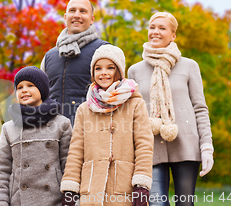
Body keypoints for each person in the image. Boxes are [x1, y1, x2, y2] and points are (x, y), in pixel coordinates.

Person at [127, 12, 214, 206]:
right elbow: (133, 113)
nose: (155, 32)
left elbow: (200, 108)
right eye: (152, 27)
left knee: (185, 203)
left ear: (173, 35)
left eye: (162, 28)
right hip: (151, 147)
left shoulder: (190, 66)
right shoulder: (135, 70)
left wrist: (206, 146)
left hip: (186, 145)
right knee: (157, 203)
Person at [60, 45, 154, 206]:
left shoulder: (135, 104)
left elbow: (144, 146)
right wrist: (70, 187)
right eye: (98, 68)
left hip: (123, 190)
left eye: (110, 68)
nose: (103, 72)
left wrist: (141, 185)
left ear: (119, 72)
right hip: (91, 190)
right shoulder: (84, 109)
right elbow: (76, 151)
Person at [0, 66, 73, 206]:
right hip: (18, 202)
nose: (24, 90)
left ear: (42, 89)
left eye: (30, 85)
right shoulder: (8, 128)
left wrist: (70, 199)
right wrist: (0, 201)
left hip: (54, 200)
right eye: (19, 87)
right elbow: (2, 170)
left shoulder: (62, 123)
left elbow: (69, 166)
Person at [41, 0, 109, 125]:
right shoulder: (49, 56)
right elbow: (41, 97)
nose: (77, 15)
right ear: (65, 17)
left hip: (89, 130)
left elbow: (114, 94)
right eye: (72, 10)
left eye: (83, 11)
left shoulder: (104, 50)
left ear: (92, 19)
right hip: (53, 132)